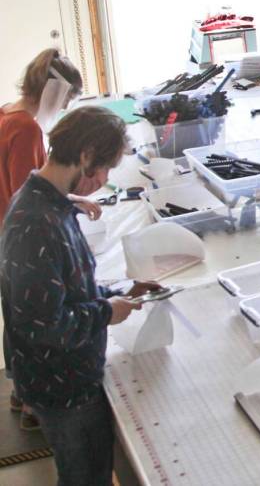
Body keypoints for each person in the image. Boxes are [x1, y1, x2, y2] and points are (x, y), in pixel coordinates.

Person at [0, 106, 160, 485]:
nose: (103, 180)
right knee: (85, 477)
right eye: (104, 169)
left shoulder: (52, 204)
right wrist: (107, 312)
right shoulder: (35, 225)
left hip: (71, 375)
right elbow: (46, 326)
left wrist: (120, 291)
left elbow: (67, 291)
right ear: (86, 156)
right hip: (61, 386)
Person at [0, 49, 98, 431]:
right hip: (15, 240)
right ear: (56, 92)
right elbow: (26, 194)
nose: (68, 106)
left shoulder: (9, 112)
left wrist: (72, 198)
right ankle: (32, 405)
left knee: (14, 314)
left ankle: (19, 392)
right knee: (35, 319)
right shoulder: (25, 128)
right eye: (69, 98)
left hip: (7, 235)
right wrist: (69, 206)